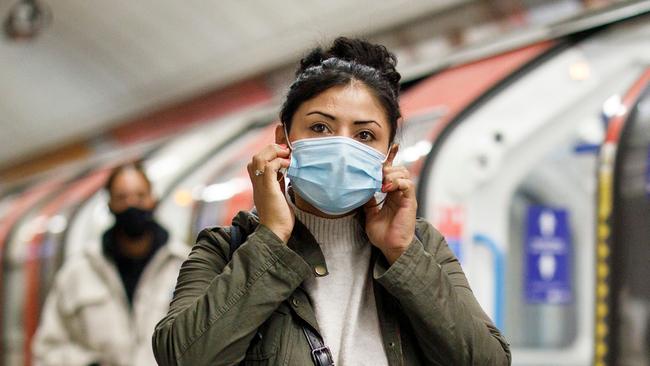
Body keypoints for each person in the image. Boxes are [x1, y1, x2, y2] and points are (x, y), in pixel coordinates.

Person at [153, 37, 511, 365]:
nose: (343, 149)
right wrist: (272, 236)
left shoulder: (422, 247)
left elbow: (487, 361)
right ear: (284, 138)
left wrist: (402, 253)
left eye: (365, 135)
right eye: (320, 128)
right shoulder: (225, 248)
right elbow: (184, 358)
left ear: (389, 156)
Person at [32, 162, 190, 366]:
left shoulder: (186, 266)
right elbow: (46, 351)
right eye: (122, 198)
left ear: (153, 200)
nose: (132, 205)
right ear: (109, 205)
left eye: (140, 196)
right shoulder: (77, 273)